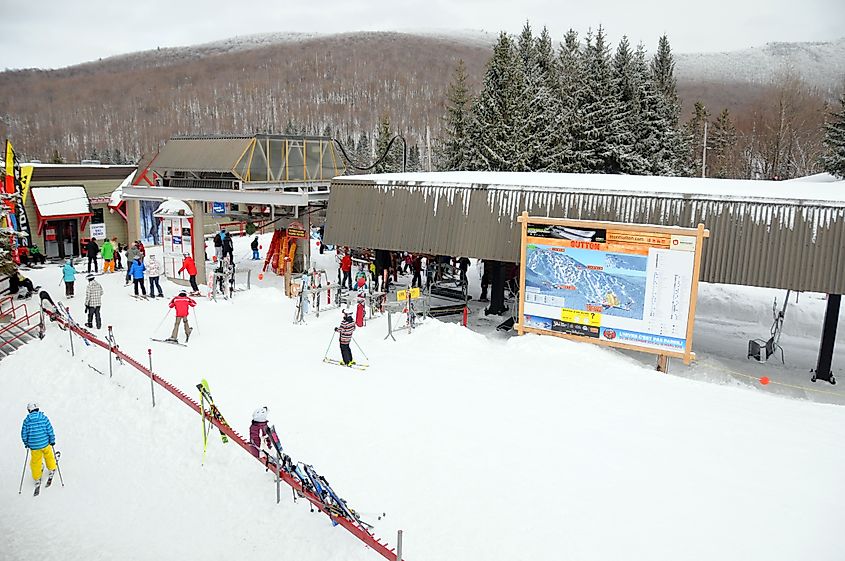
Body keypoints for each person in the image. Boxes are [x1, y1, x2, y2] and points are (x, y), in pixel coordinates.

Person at [21, 402, 56, 486]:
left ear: (29, 410)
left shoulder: (26, 421)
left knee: (35, 461)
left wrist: (26, 443)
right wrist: (52, 440)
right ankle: (52, 468)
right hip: (45, 443)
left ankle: (37, 477)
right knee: (49, 456)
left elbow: (24, 434)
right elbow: (50, 430)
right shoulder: (44, 418)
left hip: (34, 447)